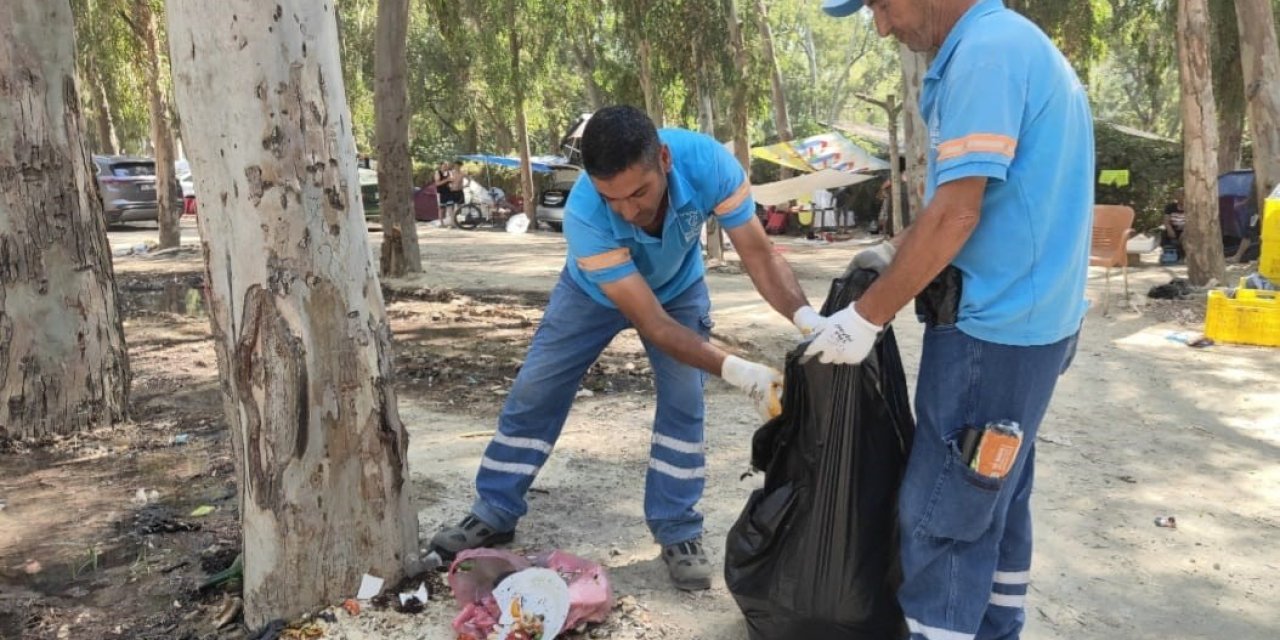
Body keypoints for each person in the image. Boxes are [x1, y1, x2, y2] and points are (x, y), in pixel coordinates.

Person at [428, 105, 823, 591]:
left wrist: (809, 322)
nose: (629, 211)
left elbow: (760, 256)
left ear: (663, 158)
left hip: (679, 289)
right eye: (612, 198)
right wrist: (741, 372)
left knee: (684, 403)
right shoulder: (585, 217)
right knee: (536, 391)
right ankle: (494, 510)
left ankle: (678, 529)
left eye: (639, 192)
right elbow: (653, 325)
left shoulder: (709, 164)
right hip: (591, 293)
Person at [820, 1, 1092, 639]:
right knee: (995, 499)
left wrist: (864, 319)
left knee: (942, 515)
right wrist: (895, 253)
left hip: (992, 331)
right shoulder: (1012, 43)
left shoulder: (985, 55)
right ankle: (996, 629)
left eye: (882, 4)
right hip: (1036, 325)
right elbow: (970, 200)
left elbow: (957, 215)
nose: (882, 26)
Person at [435, 161, 461, 227]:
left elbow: (451, 181)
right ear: (440, 166)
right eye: (444, 166)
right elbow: (437, 184)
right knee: (442, 209)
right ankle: (442, 224)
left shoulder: (449, 173)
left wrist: (452, 184)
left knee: (450, 208)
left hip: (449, 192)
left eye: (446, 166)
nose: (445, 167)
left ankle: (453, 223)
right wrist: (447, 180)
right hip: (441, 193)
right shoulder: (437, 173)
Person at [1163, 188, 1186, 261]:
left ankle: (1183, 256)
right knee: (1165, 234)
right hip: (1174, 228)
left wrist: (1185, 232)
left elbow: (1192, 223)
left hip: (1186, 229)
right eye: (1177, 196)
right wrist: (1170, 230)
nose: (1178, 198)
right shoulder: (1170, 207)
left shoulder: (1191, 207)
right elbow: (1166, 221)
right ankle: (1172, 255)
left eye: (1180, 196)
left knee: (1185, 238)